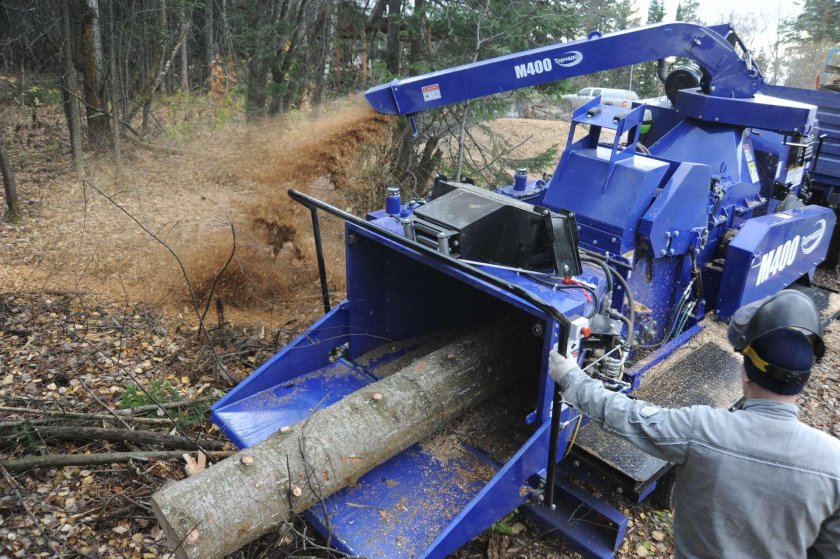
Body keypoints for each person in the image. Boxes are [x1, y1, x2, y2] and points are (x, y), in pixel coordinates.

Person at [548, 289, 840, 558]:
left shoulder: (703, 430)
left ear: (747, 370)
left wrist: (572, 377)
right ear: (803, 380)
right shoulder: (834, 462)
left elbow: (627, 416)